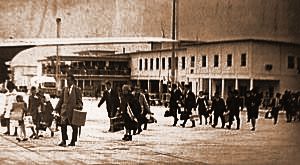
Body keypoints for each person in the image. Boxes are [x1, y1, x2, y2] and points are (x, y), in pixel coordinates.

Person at [55, 74, 83, 147]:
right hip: (64, 111)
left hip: (73, 111)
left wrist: (78, 107)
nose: (67, 82)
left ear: (73, 81)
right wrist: (56, 108)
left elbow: (80, 101)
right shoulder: (64, 89)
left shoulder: (77, 89)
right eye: (67, 80)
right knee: (63, 125)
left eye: (69, 80)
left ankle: (73, 141)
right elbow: (61, 100)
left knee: (74, 127)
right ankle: (64, 140)